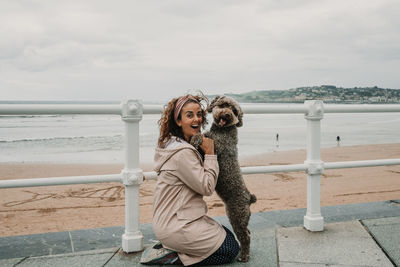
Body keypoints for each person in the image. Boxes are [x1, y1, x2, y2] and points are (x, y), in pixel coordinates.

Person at [141, 93, 239, 266]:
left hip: (171, 220)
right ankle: (173, 257)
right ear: (178, 121)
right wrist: (210, 153)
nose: (197, 119)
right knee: (231, 249)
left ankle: (170, 248)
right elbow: (207, 187)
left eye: (199, 114)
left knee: (227, 236)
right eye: (189, 115)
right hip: (177, 224)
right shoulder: (183, 153)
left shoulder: (170, 143)